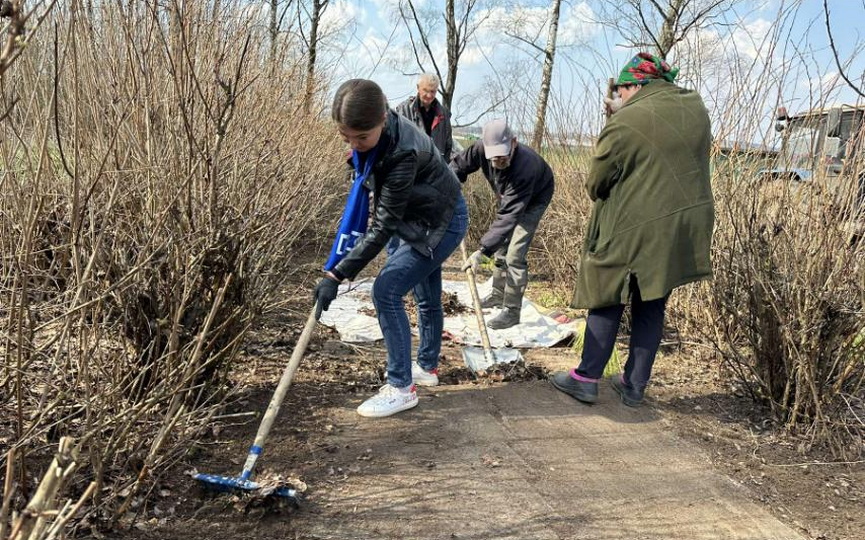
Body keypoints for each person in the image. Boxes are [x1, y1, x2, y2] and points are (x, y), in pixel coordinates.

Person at [550, 52, 715, 407]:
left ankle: (586, 378)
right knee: (652, 300)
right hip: (681, 226)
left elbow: (597, 182)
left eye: (621, 91)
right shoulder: (695, 107)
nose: (618, 97)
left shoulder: (626, 121)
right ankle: (634, 384)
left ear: (634, 85)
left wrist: (617, 118)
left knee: (607, 292)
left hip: (632, 224)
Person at [314, 79, 468, 418]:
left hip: (438, 222)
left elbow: (381, 226)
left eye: (362, 138)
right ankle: (425, 368)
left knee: (385, 291)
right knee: (424, 296)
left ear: (383, 117)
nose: (355, 146)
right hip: (417, 214)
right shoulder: (382, 137)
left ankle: (401, 387)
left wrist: (337, 273)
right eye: (347, 138)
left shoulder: (401, 153)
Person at [449, 118, 555, 330]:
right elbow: (457, 165)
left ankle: (512, 311)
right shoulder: (481, 148)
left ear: (514, 142)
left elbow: (509, 216)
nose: (497, 162)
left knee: (515, 253)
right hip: (508, 197)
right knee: (502, 244)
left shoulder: (526, 167)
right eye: (493, 159)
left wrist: (482, 251)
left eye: (502, 157)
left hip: (534, 198)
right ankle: (498, 294)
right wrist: (450, 186)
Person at [395, 73, 453, 162]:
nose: (429, 95)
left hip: (436, 169)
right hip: (410, 167)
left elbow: (448, 147)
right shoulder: (403, 111)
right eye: (425, 90)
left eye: (433, 91)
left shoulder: (444, 115)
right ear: (418, 88)